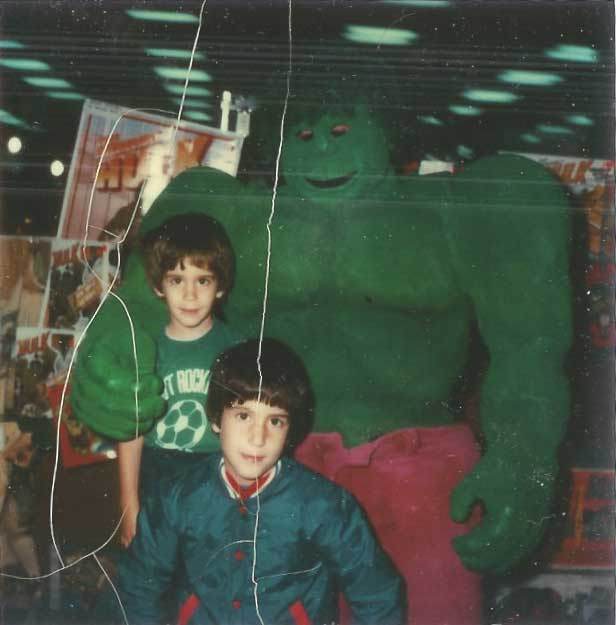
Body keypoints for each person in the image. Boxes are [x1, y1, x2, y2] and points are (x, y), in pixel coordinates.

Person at [71, 96, 572, 624]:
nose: (324, 150)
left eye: (341, 130)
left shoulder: (454, 211)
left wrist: (523, 457)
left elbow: (530, 347)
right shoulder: (234, 214)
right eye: (306, 136)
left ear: (387, 128)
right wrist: (103, 363)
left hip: (419, 470)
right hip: (275, 464)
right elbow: (138, 307)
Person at [118, 338, 405, 625]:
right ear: (216, 419)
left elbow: (378, 595)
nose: (258, 438)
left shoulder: (325, 505)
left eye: (275, 421)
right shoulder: (177, 497)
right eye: (244, 416)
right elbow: (139, 587)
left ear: (289, 430)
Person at [114, 212, 240, 547]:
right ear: (159, 285)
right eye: (176, 280)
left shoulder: (236, 349)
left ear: (220, 286)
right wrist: (129, 505)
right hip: (158, 474)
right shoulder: (144, 350)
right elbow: (131, 433)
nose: (190, 295)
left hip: (216, 477)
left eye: (203, 281)